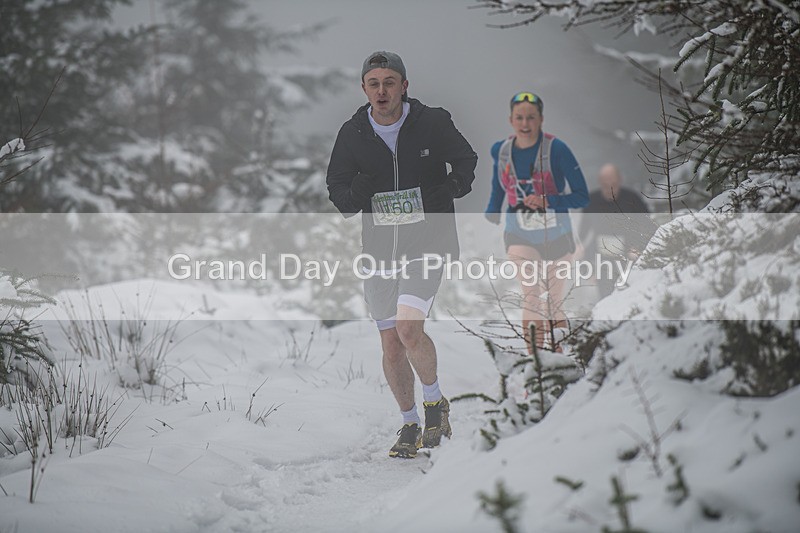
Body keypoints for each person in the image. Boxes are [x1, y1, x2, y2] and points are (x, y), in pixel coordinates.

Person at [326, 51, 477, 458]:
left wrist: (452, 187)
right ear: (364, 89)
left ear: (404, 86)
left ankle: (433, 405)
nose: (382, 90)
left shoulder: (432, 122)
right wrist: (358, 191)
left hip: (427, 243)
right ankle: (409, 422)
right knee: (391, 344)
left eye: (390, 82)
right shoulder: (353, 133)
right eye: (373, 83)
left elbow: (466, 160)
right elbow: (338, 194)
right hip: (379, 252)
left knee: (410, 329)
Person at [485, 92, 589, 353]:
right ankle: (537, 368)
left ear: (541, 119)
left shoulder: (558, 150)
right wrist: (493, 209)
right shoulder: (502, 151)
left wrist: (548, 201)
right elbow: (498, 186)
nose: (525, 123)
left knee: (553, 301)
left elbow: (581, 196)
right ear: (510, 120)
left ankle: (560, 360)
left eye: (531, 117)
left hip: (558, 235)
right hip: (518, 233)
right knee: (531, 297)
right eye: (519, 117)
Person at [580, 163, 653, 298]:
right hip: (602, 256)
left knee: (628, 293)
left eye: (612, 182)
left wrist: (640, 246)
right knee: (606, 293)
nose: (609, 187)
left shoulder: (633, 199)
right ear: (600, 182)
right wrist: (585, 259)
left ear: (620, 180)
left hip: (630, 253)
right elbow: (583, 233)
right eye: (605, 183)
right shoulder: (591, 201)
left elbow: (647, 225)